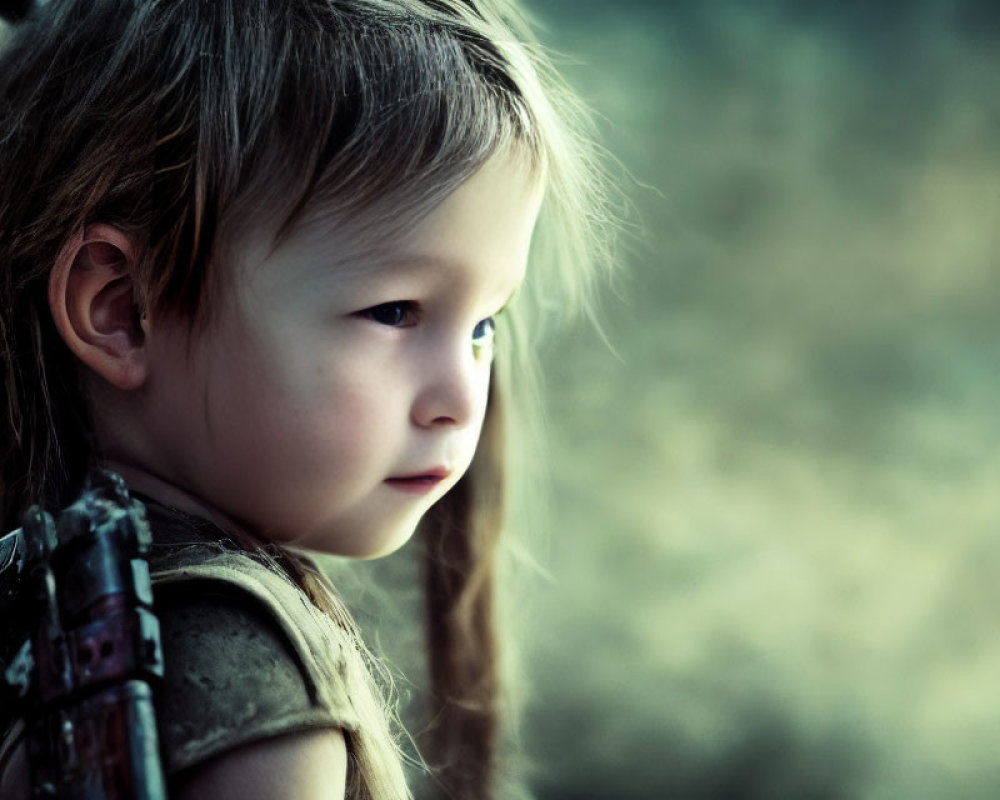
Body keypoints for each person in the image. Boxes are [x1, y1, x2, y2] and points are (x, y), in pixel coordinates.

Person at [0, 0, 614, 797]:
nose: (462, 399)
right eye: (394, 312)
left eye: (483, 324)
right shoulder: (242, 688)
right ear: (122, 309)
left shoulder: (47, 602)